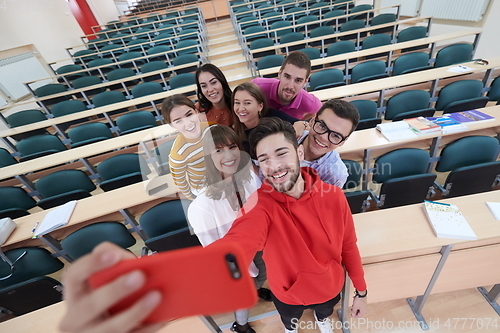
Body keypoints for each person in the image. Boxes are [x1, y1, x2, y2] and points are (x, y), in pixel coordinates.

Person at [214, 117, 367, 333]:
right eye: (264, 159)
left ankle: (322, 320)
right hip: (288, 294)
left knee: (325, 312)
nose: (274, 166)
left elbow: (349, 246)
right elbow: (243, 235)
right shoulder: (259, 205)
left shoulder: (334, 197)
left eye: (281, 153)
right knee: (290, 320)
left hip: (330, 287)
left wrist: (361, 292)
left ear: (300, 154)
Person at [187, 125, 265, 333]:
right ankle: (240, 326)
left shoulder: (249, 177)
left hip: (260, 246)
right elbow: (216, 251)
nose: (229, 155)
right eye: (218, 150)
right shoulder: (201, 206)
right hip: (237, 260)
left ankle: (258, 289)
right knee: (245, 293)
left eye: (232, 147)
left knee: (261, 278)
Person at [298, 99, 360, 188]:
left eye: (336, 135)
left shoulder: (335, 175)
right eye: (322, 126)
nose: (323, 137)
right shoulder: (287, 137)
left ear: (343, 141)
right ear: (312, 121)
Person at [161, 94, 214, 200]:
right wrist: (194, 199)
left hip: (225, 178)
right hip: (204, 189)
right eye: (178, 121)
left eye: (189, 115)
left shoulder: (212, 129)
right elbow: (180, 183)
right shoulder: (178, 154)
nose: (188, 123)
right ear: (172, 125)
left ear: (197, 111)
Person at [252, 51, 322, 120]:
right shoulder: (257, 86)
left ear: (305, 82)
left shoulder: (312, 104)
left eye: (298, 80)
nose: (290, 86)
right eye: (287, 77)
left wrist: (303, 124)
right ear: (280, 73)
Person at [232, 81, 298, 153]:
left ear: (260, 106)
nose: (241, 108)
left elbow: (300, 123)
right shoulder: (233, 133)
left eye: (247, 103)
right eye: (237, 103)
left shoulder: (273, 116)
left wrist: (302, 124)